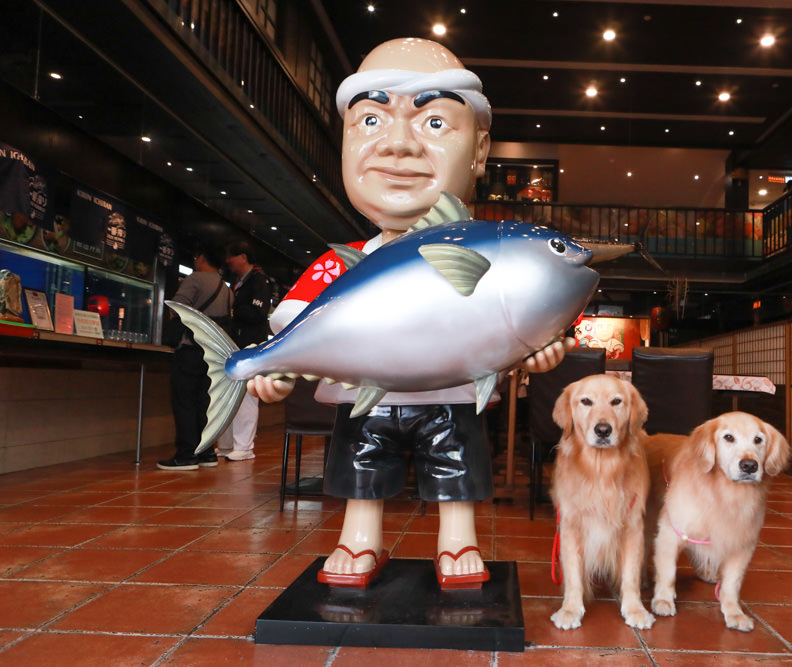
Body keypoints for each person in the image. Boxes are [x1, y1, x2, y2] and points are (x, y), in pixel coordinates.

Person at [248, 37, 573, 589]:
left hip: (451, 396)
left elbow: (512, 320)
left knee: (458, 459)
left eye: (435, 123)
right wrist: (273, 368)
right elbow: (296, 324)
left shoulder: (490, 256)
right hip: (363, 398)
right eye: (371, 121)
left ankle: (458, 540)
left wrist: (539, 349)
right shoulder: (342, 265)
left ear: (480, 149)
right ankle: (358, 538)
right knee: (361, 459)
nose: (397, 145)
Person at [158, 245, 234, 471]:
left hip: (191, 349)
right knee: (205, 403)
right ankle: (207, 452)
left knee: (185, 401)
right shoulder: (226, 288)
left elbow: (177, 308)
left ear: (201, 258)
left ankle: (187, 455)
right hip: (214, 355)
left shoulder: (195, 279)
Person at [216, 240, 272, 462]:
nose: (228, 261)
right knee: (229, 396)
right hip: (236, 346)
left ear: (243, 257)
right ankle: (228, 444)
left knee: (247, 396)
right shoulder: (239, 281)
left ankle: (244, 446)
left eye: (232, 256)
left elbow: (258, 313)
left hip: (250, 347)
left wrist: (233, 310)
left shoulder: (258, 280)